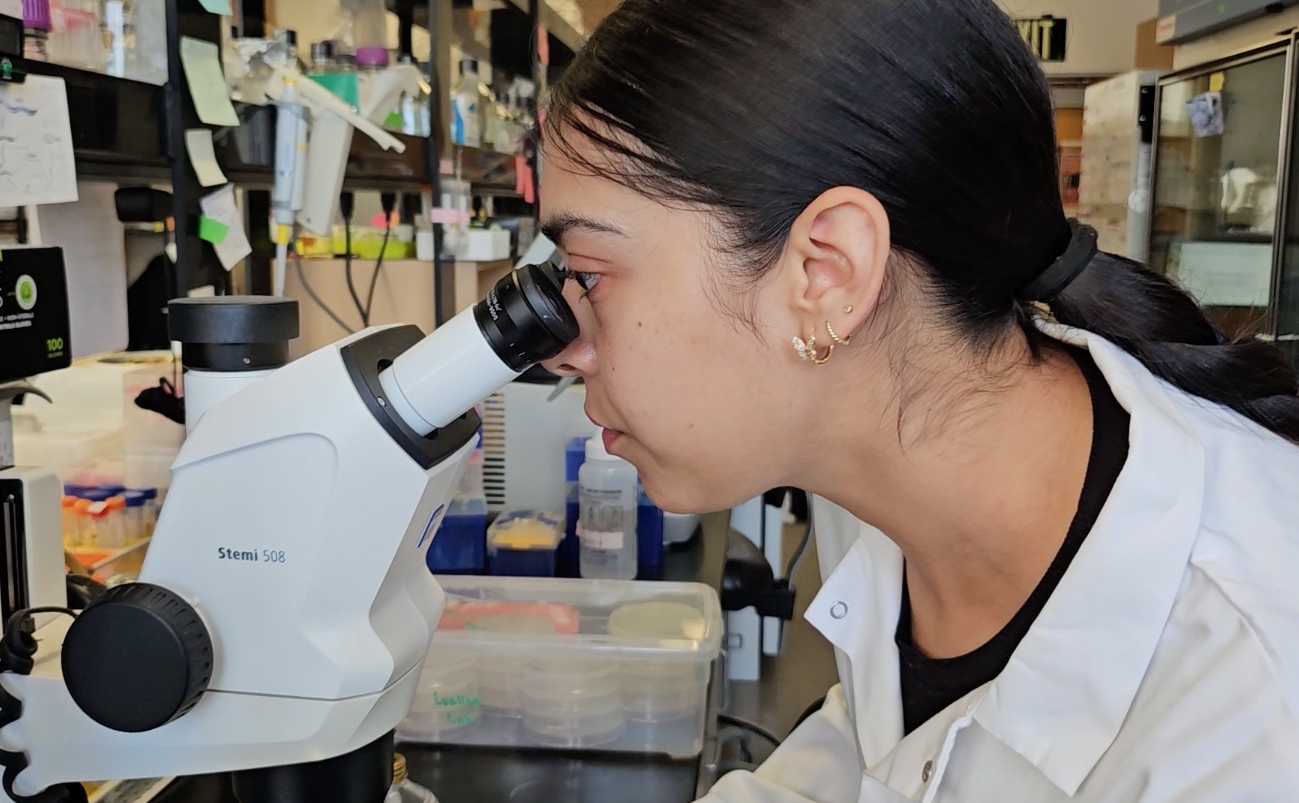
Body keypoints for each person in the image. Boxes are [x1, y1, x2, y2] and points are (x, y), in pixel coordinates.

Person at [537, 0, 1299, 801]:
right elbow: (883, 758)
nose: (561, 348)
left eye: (588, 273)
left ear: (824, 272)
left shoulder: (1255, 699)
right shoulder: (904, 473)